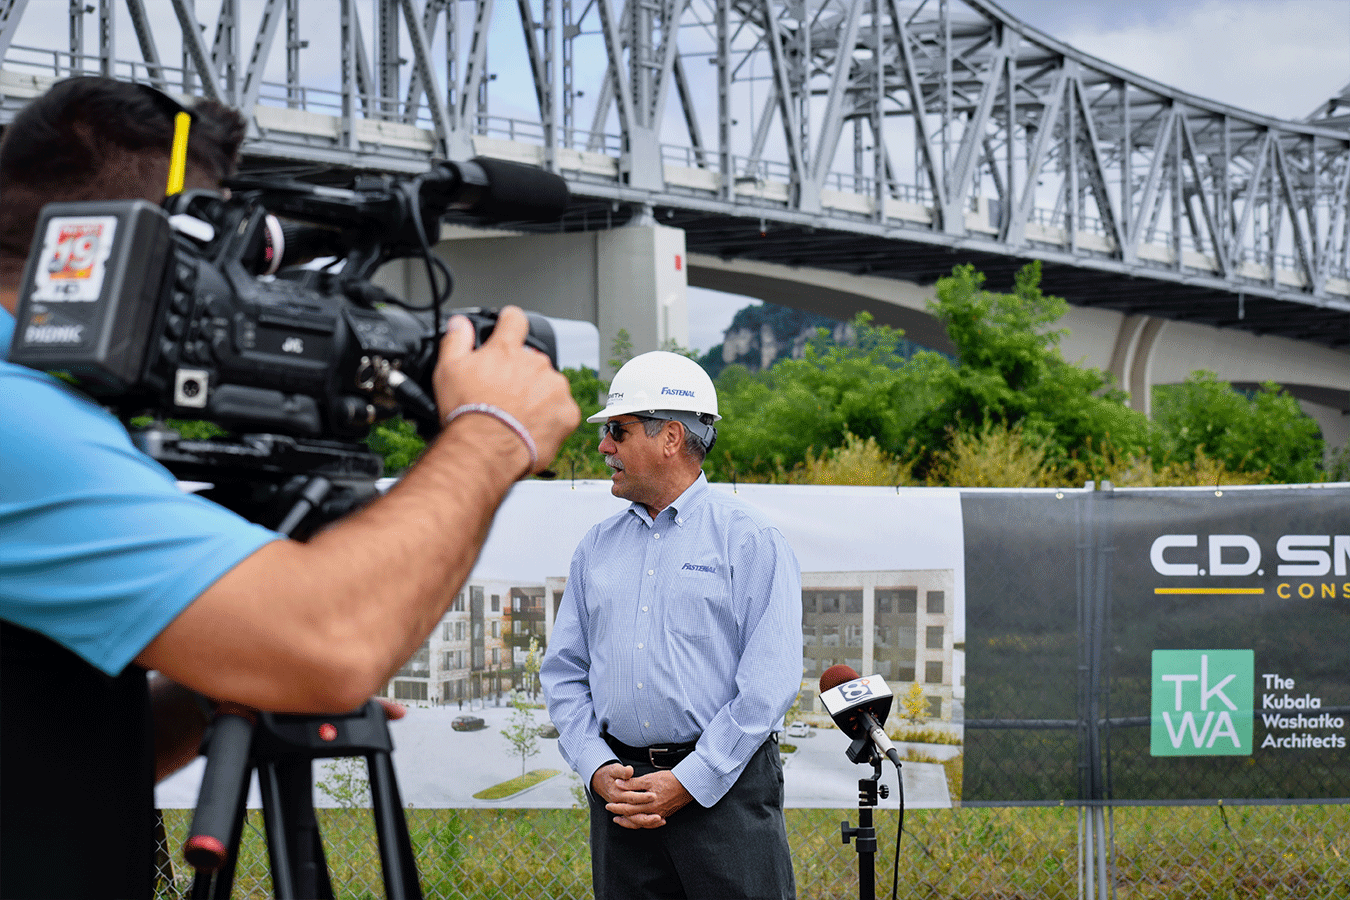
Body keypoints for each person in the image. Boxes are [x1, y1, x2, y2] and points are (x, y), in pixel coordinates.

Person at [0, 76, 580, 898]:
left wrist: (223, 681)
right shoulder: (18, 419)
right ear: (161, 242)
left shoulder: (49, 409)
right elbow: (332, 643)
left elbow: (59, 745)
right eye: (232, 256)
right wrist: (492, 430)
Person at [540, 351, 804, 900]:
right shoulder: (597, 549)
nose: (603, 447)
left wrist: (690, 781)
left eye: (618, 430)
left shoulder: (749, 540)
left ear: (671, 438)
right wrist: (595, 766)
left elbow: (768, 686)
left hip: (725, 792)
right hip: (624, 796)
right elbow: (564, 673)